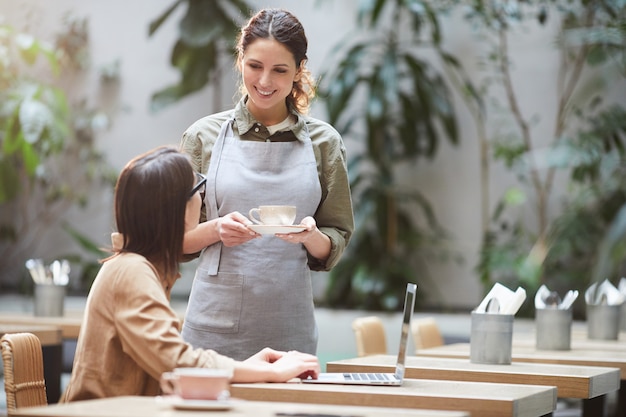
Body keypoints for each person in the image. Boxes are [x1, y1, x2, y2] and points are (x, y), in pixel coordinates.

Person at [61, 146, 320, 402]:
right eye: (198, 190)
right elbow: (176, 361)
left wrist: (250, 368)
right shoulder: (131, 272)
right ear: (179, 210)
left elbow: (164, 365)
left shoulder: (134, 266)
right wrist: (269, 372)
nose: (203, 197)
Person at [180, 8, 354, 360]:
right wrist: (216, 229)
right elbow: (175, 241)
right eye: (255, 66)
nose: (264, 81)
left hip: (290, 326)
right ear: (241, 59)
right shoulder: (202, 137)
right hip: (213, 328)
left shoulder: (324, 143)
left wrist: (311, 236)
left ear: (299, 70)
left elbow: (334, 241)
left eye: (280, 70)